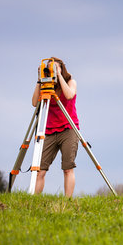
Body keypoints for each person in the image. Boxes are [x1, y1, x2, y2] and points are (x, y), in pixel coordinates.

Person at [31, 57, 79, 197]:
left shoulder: (71, 82)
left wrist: (58, 75)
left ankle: (67, 201)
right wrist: (40, 80)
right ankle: (34, 200)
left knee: (67, 168)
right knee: (40, 170)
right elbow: (35, 103)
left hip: (68, 128)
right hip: (50, 130)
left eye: (54, 68)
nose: (51, 70)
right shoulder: (46, 87)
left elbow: (69, 95)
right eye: (49, 68)